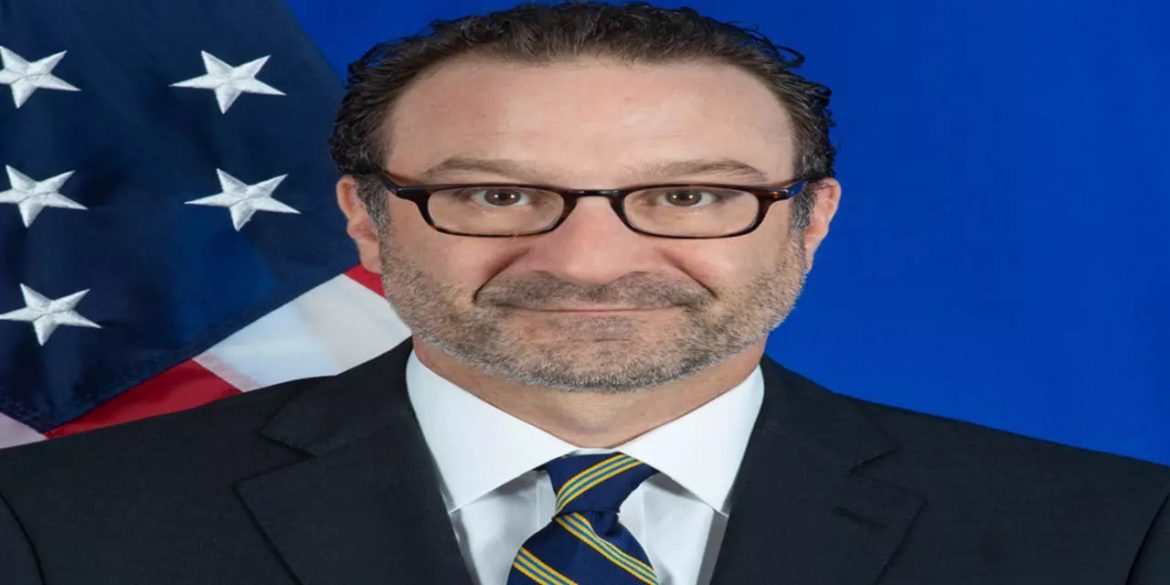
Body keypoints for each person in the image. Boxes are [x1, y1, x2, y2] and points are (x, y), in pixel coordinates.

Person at [1, 2, 1167, 583]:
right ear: (364, 218)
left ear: (811, 220)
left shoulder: (1111, 539)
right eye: (498, 195)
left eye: (691, 195)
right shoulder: (51, 526)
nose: (592, 259)